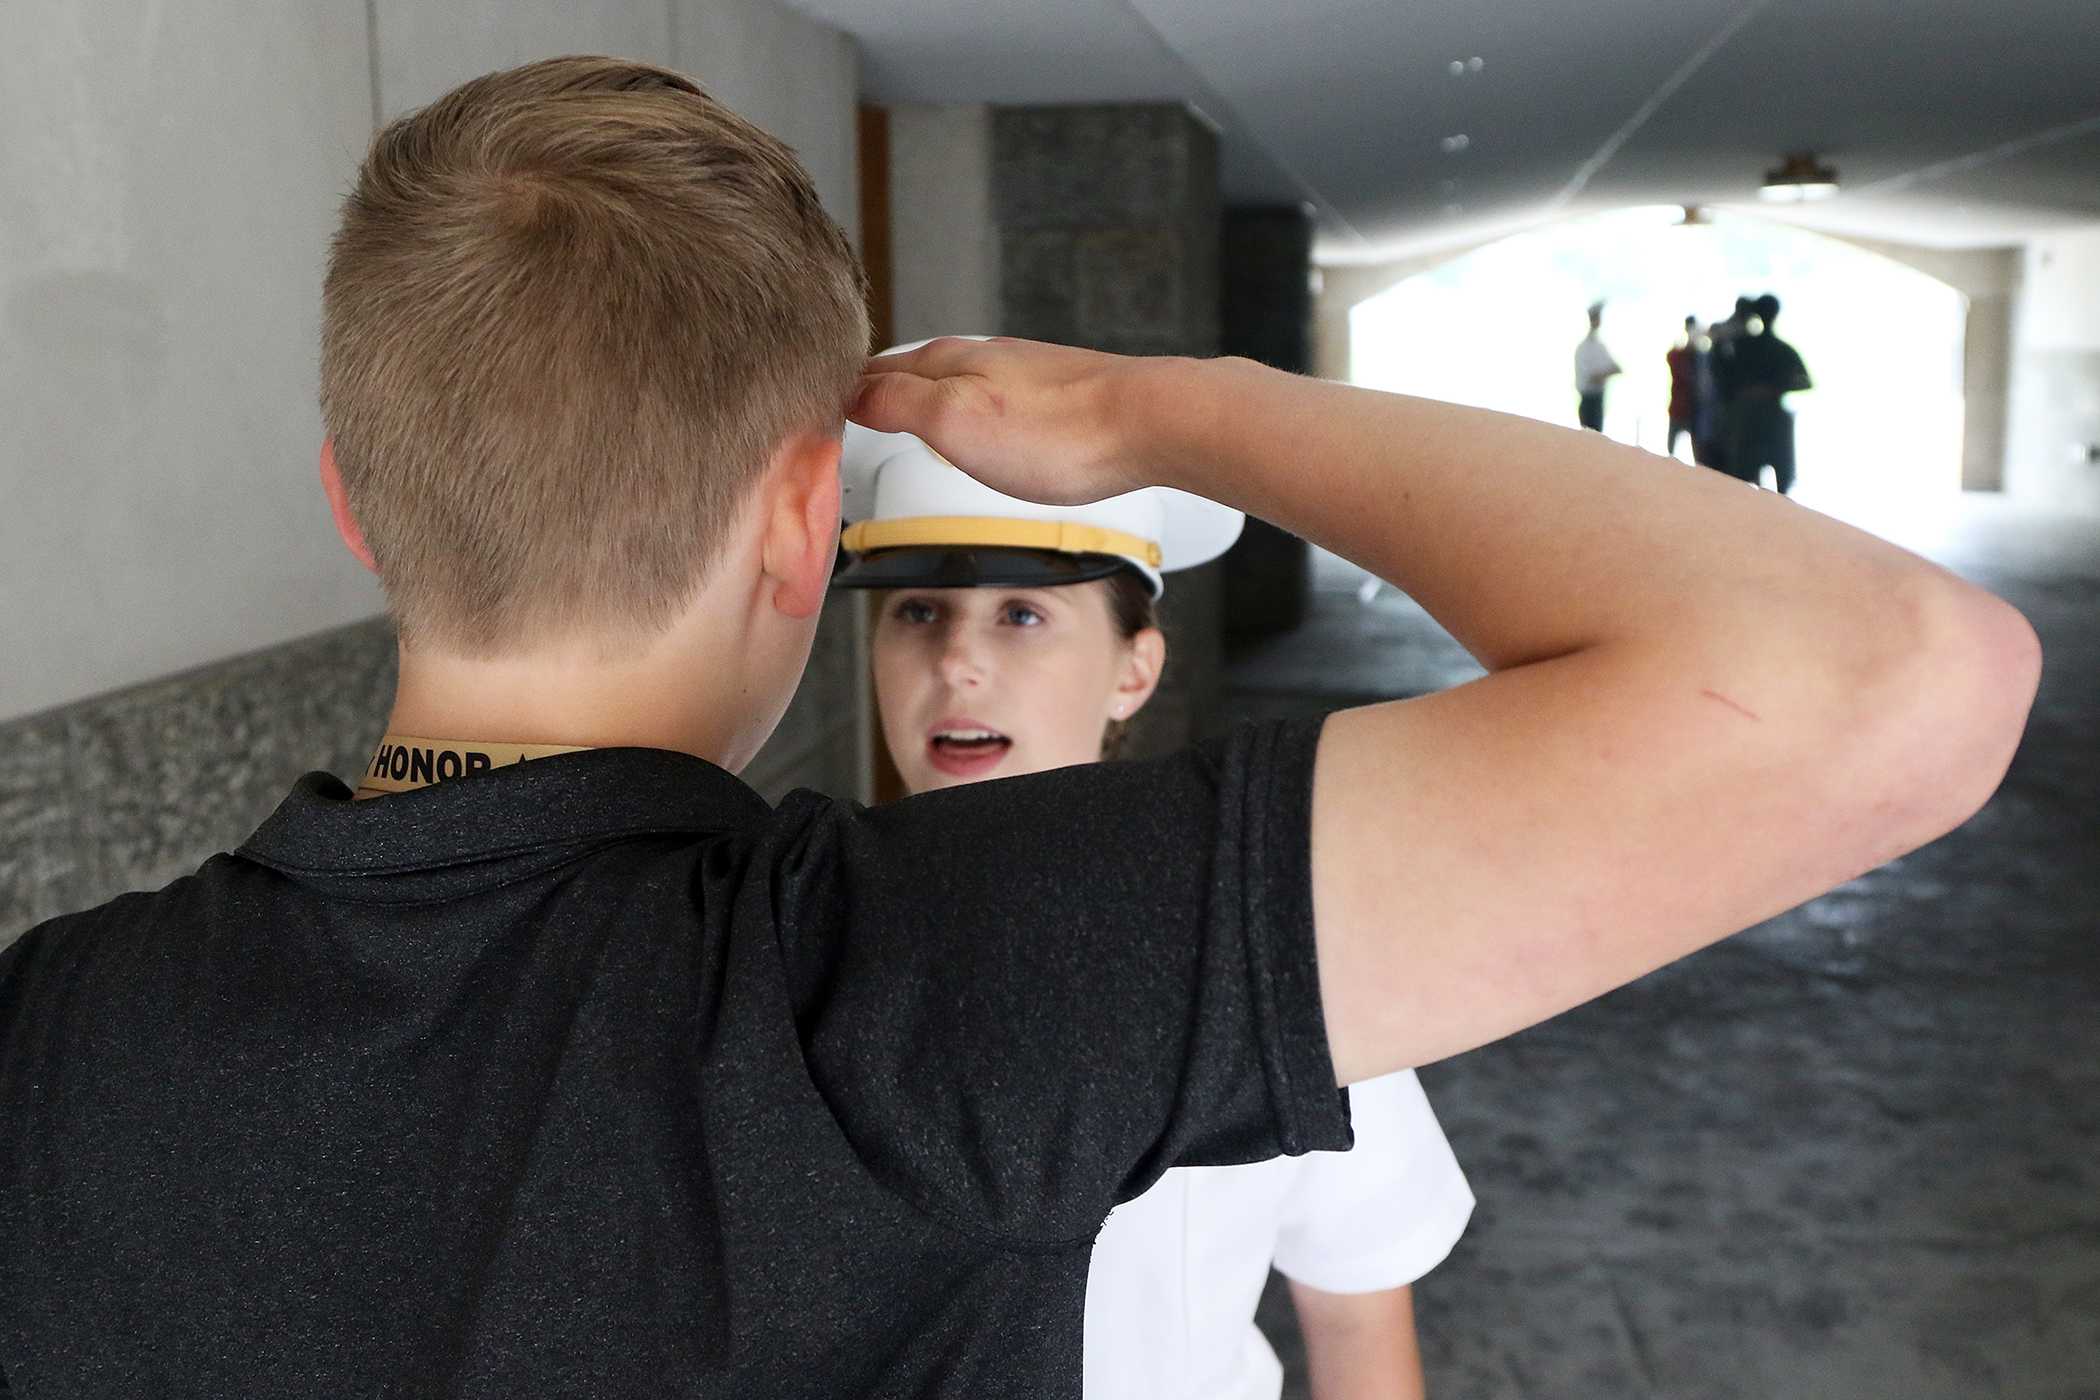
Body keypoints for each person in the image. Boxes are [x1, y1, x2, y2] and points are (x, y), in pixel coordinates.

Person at [0, 56, 2038, 1398]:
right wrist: (1165, 409)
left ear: (355, 499)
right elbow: (1897, 677)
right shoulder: (931, 982)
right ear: (813, 524)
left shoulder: (51, 1039)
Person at [836, 419, 1475, 1400]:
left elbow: (1357, 1310)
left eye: (1022, 614)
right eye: (918, 609)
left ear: (1133, 671)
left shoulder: (1263, 942)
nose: (957, 662)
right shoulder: (781, 927)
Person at [1712, 293, 1813, 494]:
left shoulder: (1741, 347)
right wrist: (1775, 388)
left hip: (1744, 416)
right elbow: (1805, 382)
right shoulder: (1782, 350)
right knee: (1780, 478)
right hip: (1771, 415)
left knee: (1741, 476)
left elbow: (1719, 374)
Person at [1666, 315, 1712, 465]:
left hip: (1692, 409)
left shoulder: (1697, 356)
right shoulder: (1684, 355)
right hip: (1686, 407)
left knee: (1695, 455)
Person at [1573, 300, 1621, 433]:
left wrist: (1602, 375)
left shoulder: (1600, 346)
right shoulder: (1584, 347)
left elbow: (1617, 368)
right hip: (1588, 401)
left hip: (1598, 400)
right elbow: (1587, 379)